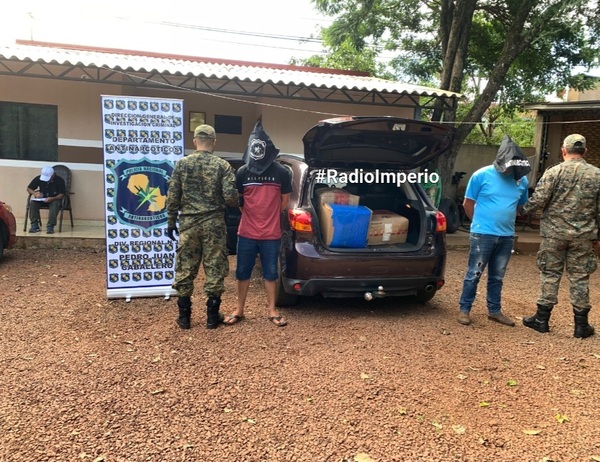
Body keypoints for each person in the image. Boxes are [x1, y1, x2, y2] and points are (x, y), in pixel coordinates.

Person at [521, 134, 600, 338]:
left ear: (563, 150)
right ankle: (581, 325)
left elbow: (538, 200)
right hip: (583, 235)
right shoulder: (597, 175)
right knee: (580, 277)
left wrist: (522, 210)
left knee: (550, 274)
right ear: (585, 152)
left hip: (554, 234)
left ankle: (541, 320)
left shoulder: (554, 172)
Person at [166, 124, 239, 330]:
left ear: (195, 141)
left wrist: (171, 221)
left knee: (185, 268)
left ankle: (184, 318)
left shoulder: (182, 164)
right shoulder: (222, 166)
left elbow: (173, 196)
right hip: (214, 224)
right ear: (214, 142)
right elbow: (231, 198)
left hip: (188, 224)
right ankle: (211, 317)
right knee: (215, 267)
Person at [223, 121, 293, 327]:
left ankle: (272, 310)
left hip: (271, 234)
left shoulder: (281, 172)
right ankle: (239, 310)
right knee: (242, 272)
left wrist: (268, 215)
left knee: (271, 273)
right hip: (246, 233)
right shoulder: (243, 172)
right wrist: (254, 216)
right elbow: (241, 202)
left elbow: (285, 200)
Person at [457, 135, 530, 327]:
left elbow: (519, 206)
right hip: (483, 234)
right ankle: (464, 309)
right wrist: (478, 224)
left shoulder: (521, 180)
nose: (508, 170)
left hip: (506, 236)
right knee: (474, 272)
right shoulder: (481, 175)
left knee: (497, 276)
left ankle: (494, 311)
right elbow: (467, 203)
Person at [26, 166, 66, 234]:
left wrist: (52, 198)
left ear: (53, 175)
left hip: (54, 199)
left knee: (55, 204)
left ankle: (50, 225)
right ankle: (34, 225)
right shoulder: (39, 178)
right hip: (42, 199)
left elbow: (61, 194)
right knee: (33, 203)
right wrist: (35, 194)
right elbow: (29, 188)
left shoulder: (60, 180)